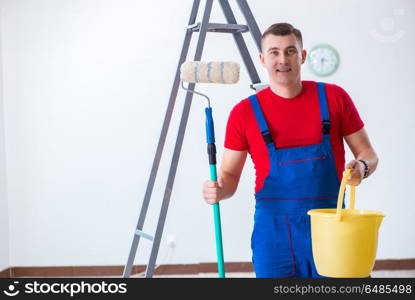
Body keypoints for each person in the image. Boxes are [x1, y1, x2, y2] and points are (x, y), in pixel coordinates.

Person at [201, 23, 378, 278]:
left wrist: (362, 167)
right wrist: (217, 189)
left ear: (302, 56)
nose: (282, 60)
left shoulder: (334, 98)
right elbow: (228, 177)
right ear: (262, 59)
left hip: (332, 226)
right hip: (274, 237)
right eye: (274, 52)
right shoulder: (244, 113)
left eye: (290, 51)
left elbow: (369, 154)